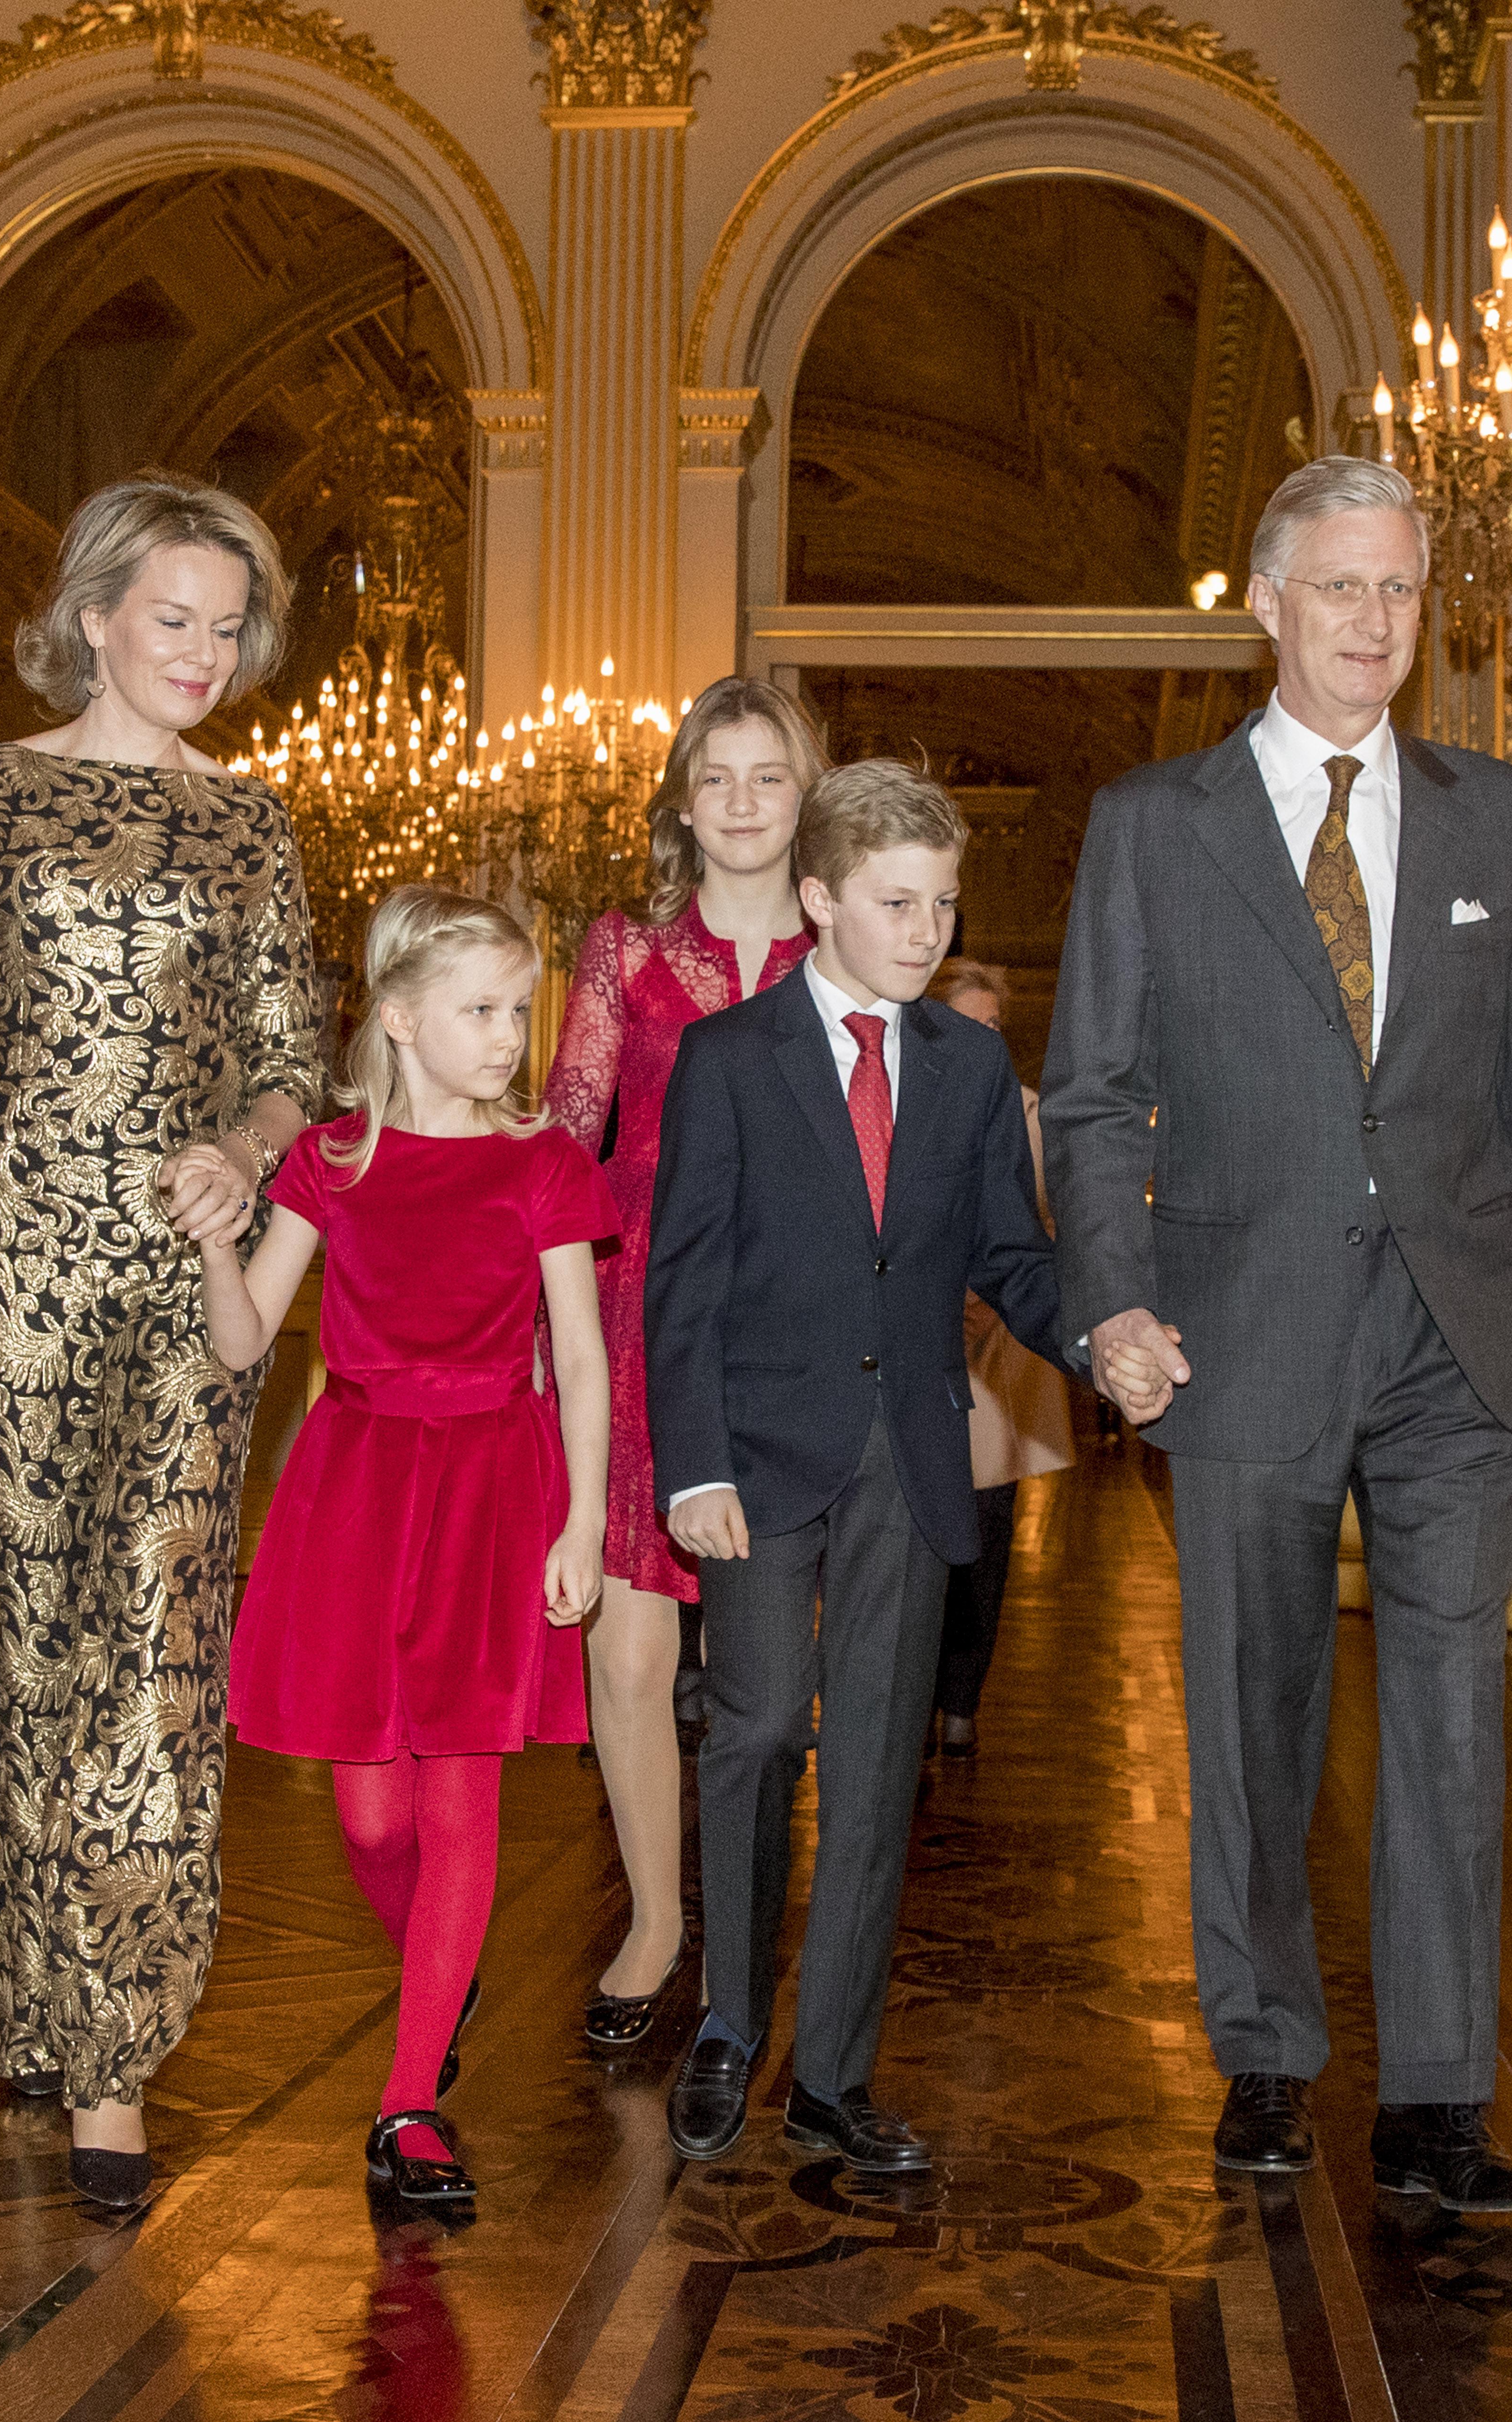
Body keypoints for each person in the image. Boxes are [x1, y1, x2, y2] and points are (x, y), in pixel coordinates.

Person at [1044, 455, 1512, 2213]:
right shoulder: (1156, 823)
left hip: (1459, 1332)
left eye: (1401, 591)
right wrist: (1113, 1297)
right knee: (1253, 1710)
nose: (1375, 622)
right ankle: (1267, 2055)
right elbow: (1095, 1095)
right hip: (1243, 1330)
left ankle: (1440, 2095)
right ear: (1269, 603)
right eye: (1342, 589)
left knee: (1449, 1718)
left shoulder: (1498, 816)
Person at [0, 471, 321, 2212]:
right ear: (95, 614)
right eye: (170, 615)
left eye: (226, 621)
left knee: (158, 1649)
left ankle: (119, 2053)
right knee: (21, 1634)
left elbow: (290, 1063)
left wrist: (241, 1160)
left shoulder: (253, 826)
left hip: (181, 1272)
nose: (201, 649)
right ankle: (36, 1986)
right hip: (3, 1254)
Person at [649, 761, 1069, 2173]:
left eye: (944, 902)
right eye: (899, 901)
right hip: (761, 1455)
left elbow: (1009, 1257)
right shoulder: (729, 1059)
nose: (927, 929)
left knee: (880, 1764)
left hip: (912, 1456)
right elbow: (683, 1288)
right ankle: (727, 2023)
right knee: (760, 1725)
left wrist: (1106, 1328)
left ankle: (830, 2072)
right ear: (820, 897)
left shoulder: (964, 1071)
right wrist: (690, 1466)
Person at [204, 887, 615, 2204]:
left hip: (497, 1478)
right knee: (372, 1813)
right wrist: (219, 1246)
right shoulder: (332, 1159)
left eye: (520, 1009)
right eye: (483, 1011)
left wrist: (583, 1518)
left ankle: (408, 2101)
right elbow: (243, 1338)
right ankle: (443, 1973)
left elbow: (588, 1362)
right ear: (400, 1019)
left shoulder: (543, 1158)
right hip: (360, 1484)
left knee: (459, 1798)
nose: (512, 1037)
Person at [541, 676, 825, 2048]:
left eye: (768, 775)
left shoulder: (847, 949)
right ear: (683, 798)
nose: (743, 802)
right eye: (716, 776)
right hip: (637, 1318)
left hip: (794, 1325)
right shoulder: (624, 948)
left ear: (804, 792)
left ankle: (765, 1926)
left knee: (772, 1678)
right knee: (632, 1651)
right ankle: (657, 1919)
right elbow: (565, 1135)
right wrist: (540, 1330)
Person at [927, 961, 1075, 1757]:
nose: (980, 1038)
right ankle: (910, 1694)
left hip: (997, 1367)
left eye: (992, 1026)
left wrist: (980, 1310)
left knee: (982, 1543)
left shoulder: (1032, 1115)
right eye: (966, 1022)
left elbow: (1048, 1228)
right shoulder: (899, 1094)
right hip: (915, 1355)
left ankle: (960, 1698)